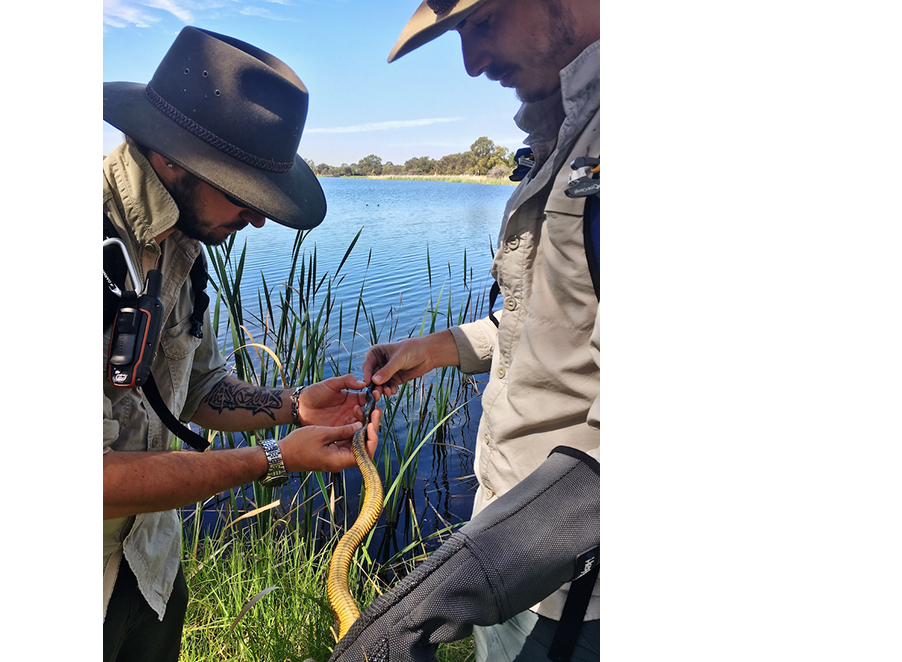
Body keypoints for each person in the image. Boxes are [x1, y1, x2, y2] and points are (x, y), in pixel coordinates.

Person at [101, 27, 379, 662]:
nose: (257, 218)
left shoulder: (183, 244)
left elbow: (196, 388)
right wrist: (273, 459)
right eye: (245, 192)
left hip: (152, 570)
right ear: (172, 155)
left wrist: (295, 404)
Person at [356, 1, 601, 660]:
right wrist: (440, 348)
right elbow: (557, 317)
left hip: (580, 591)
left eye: (482, 22)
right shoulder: (566, 134)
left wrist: (435, 600)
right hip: (506, 546)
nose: (471, 64)